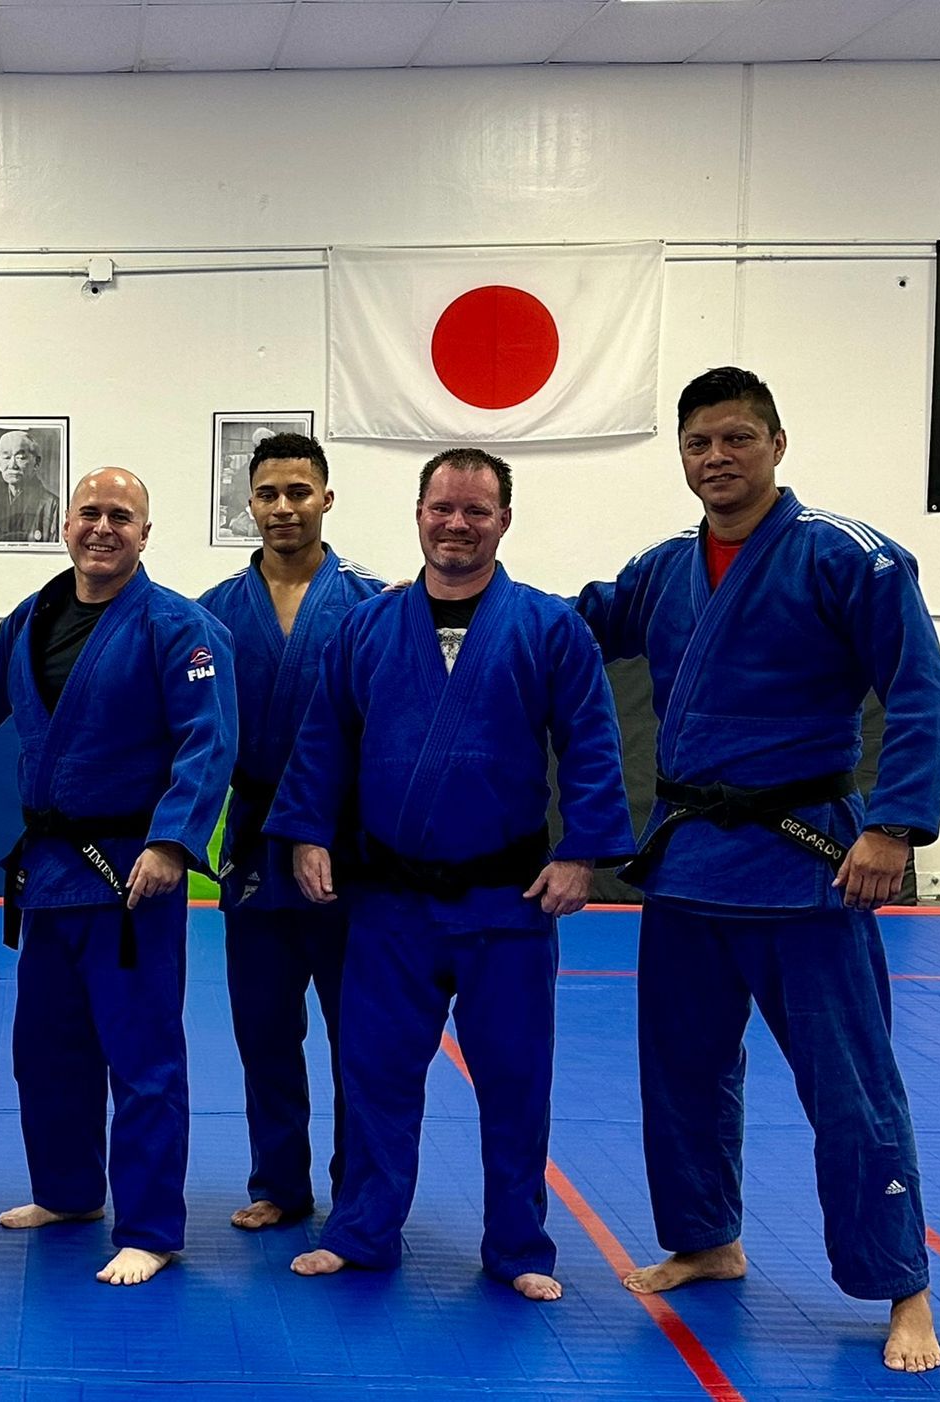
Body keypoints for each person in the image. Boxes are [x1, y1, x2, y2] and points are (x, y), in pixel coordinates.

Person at [573, 367, 940, 1373]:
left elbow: (922, 692)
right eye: (699, 443)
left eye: (737, 438)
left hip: (807, 868)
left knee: (852, 1088)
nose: (717, 458)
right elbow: (570, 627)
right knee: (682, 1076)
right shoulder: (663, 570)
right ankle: (706, 1240)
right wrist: (454, 600)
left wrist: (893, 828)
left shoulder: (849, 557)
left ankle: (904, 1286)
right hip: (691, 866)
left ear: (777, 445)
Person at [267, 448, 633, 1302]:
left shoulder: (549, 627)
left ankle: (518, 1245)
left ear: (503, 520)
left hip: (507, 900)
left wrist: (581, 851)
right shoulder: (368, 627)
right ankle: (362, 1232)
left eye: (475, 510)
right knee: (375, 1076)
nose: (457, 524)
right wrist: (307, 833)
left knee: (515, 1080)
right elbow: (324, 740)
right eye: (442, 508)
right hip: (391, 903)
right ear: (418, 513)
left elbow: (591, 742)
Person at [0, 467, 237, 1286]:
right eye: (90, 512)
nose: (103, 527)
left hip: (133, 875)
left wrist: (172, 844)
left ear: (144, 534)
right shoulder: (32, 616)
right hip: (51, 871)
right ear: (66, 525)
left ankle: (151, 1228)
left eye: (122, 515)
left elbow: (208, 742)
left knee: (143, 1056)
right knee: (46, 1049)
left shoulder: (179, 627)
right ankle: (68, 1192)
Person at [198, 432, 382, 1232]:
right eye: (268, 493)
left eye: (299, 492)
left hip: (349, 845)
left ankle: (360, 1188)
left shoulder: (374, 603)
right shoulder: (212, 610)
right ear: (250, 505)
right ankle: (278, 1182)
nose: (283, 507)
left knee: (358, 1032)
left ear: (327, 499)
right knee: (265, 1026)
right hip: (254, 843)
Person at [0, 430, 60, 544]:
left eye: (20, 457)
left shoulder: (53, 506)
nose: (12, 465)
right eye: (6, 457)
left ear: (36, 463)